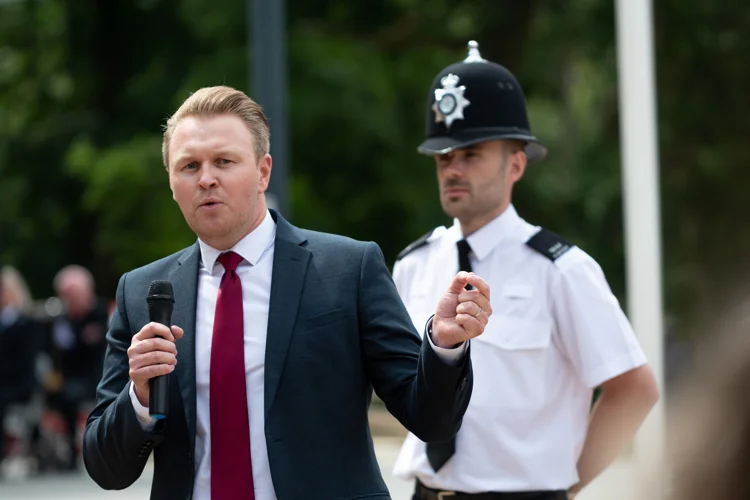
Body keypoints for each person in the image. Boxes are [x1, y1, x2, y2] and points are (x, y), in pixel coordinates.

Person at [82, 85, 493, 500]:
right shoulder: (142, 293)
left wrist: (442, 345)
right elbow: (106, 469)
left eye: (224, 161)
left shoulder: (348, 269)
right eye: (189, 166)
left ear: (263, 171)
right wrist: (139, 395)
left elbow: (430, 420)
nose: (206, 178)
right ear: (171, 182)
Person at [391, 41, 660, 500]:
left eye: (470, 154)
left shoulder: (560, 270)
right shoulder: (414, 264)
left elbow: (634, 389)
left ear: (516, 163)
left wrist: (564, 487)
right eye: (443, 157)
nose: (452, 168)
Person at [46, 264, 109, 470]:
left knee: (70, 396)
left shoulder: (101, 313)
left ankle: (86, 448)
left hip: (97, 374)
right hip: (70, 376)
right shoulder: (62, 318)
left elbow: (96, 348)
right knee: (54, 393)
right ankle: (60, 450)